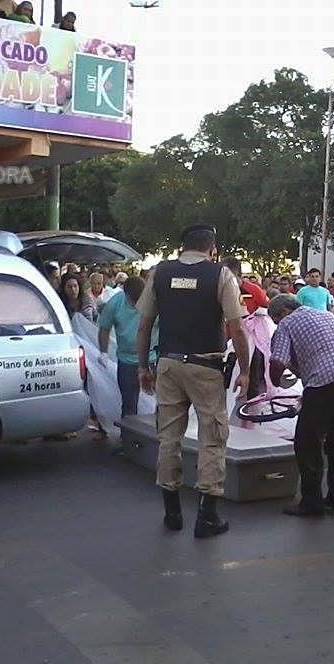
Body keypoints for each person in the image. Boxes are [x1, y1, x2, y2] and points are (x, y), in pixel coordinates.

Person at [136, 224, 250, 539]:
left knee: (168, 437)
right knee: (211, 438)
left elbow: (144, 325)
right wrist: (245, 370)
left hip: (169, 364)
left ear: (181, 247)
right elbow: (237, 328)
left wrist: (143, 367)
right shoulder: (220, 275)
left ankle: (171, 512)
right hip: (206, 367)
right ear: (212, 249)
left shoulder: (159, 273)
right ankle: (207, 516)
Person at [268, 295, 334, 517]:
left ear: (282, 313)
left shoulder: (287, 324)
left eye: (275, 319)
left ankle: (312, 501)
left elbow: (277, 361)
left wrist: (276, 382)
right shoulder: (327, 316)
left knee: (307, 443)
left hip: (324, 386)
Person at [98, 277, 155, 419]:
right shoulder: (116, 302)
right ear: (126, 294)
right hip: (127, 362)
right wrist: (103, 352)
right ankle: (128, 439)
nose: (138, 304)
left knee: (161, 403)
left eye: (140, 299)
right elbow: (104, 328)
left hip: (152, 359)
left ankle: (159, 438)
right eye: (134, 300)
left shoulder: (154, 301)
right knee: (129, 405)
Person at [224, 257, 270, 399]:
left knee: (253, 375)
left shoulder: (253, 289)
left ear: (237, 272)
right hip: (226, 339)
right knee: (224, 374)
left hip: (250, 340)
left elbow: (268, 307)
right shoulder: (219, 287)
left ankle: (252, 407)